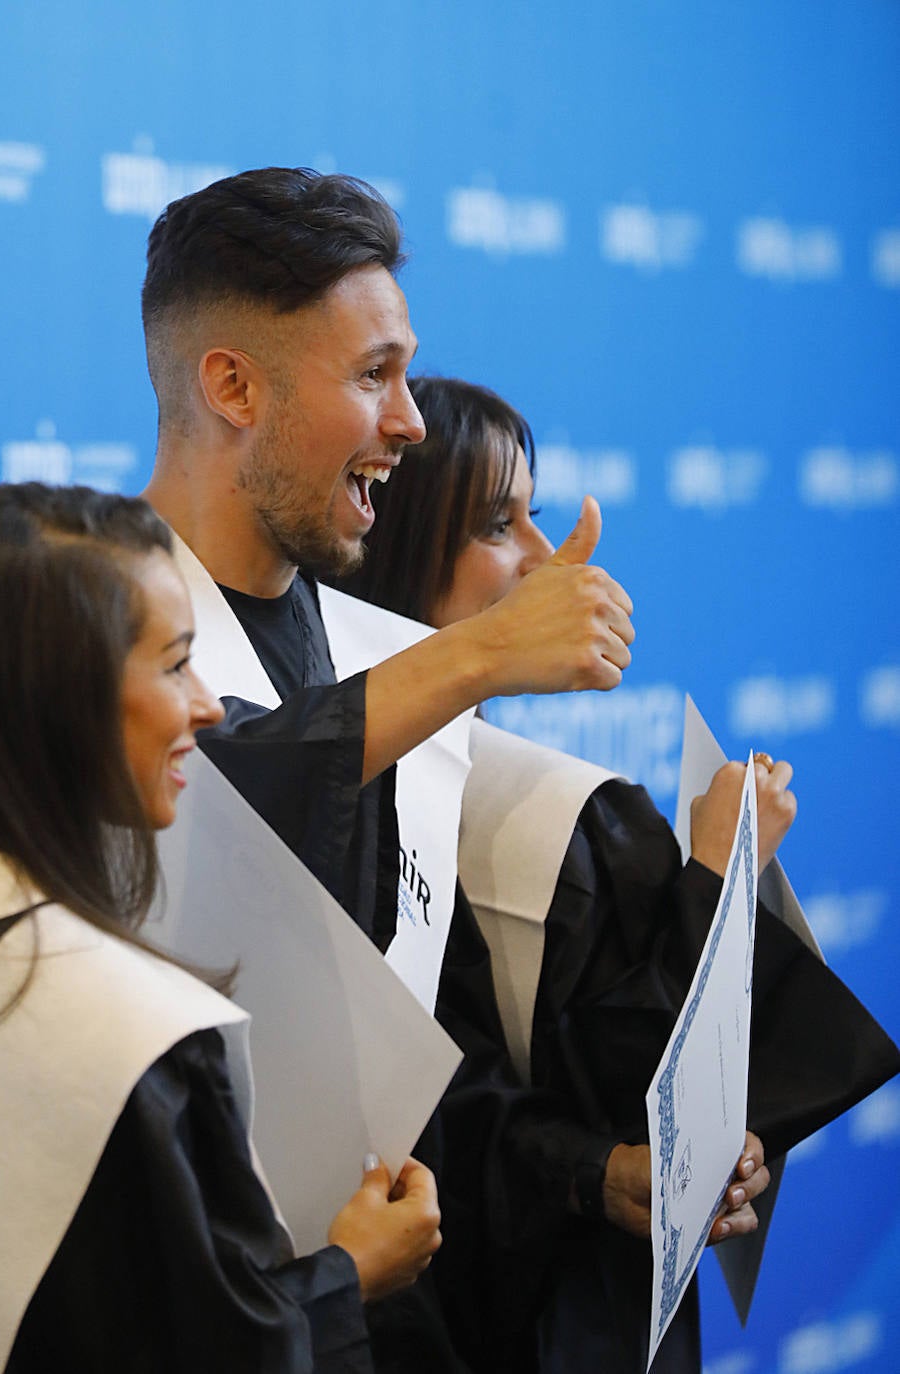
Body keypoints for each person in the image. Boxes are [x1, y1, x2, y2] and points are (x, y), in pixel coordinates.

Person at [136, 168, 771, 1373]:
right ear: (231, 384)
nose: (410, 422)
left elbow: (436, 1057)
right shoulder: (68, 618)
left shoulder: (376, 655)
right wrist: (474, 655)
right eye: (373, 375)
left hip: (380, 1314)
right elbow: (188, 847)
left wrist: (600, 1174)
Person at [335, 373, 900, 1372]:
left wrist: (612, 1172)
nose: (547, 561)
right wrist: (721, 874)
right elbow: (624, 1086)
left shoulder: (424, 784)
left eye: (535, 515)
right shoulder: (503, 812)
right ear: (395, 544)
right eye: (497, 524)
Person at [0, 481, 443, 1374]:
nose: (208, 708)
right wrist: (346, 1277)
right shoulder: (133, 1038)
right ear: (57, 699)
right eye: (175, 665)